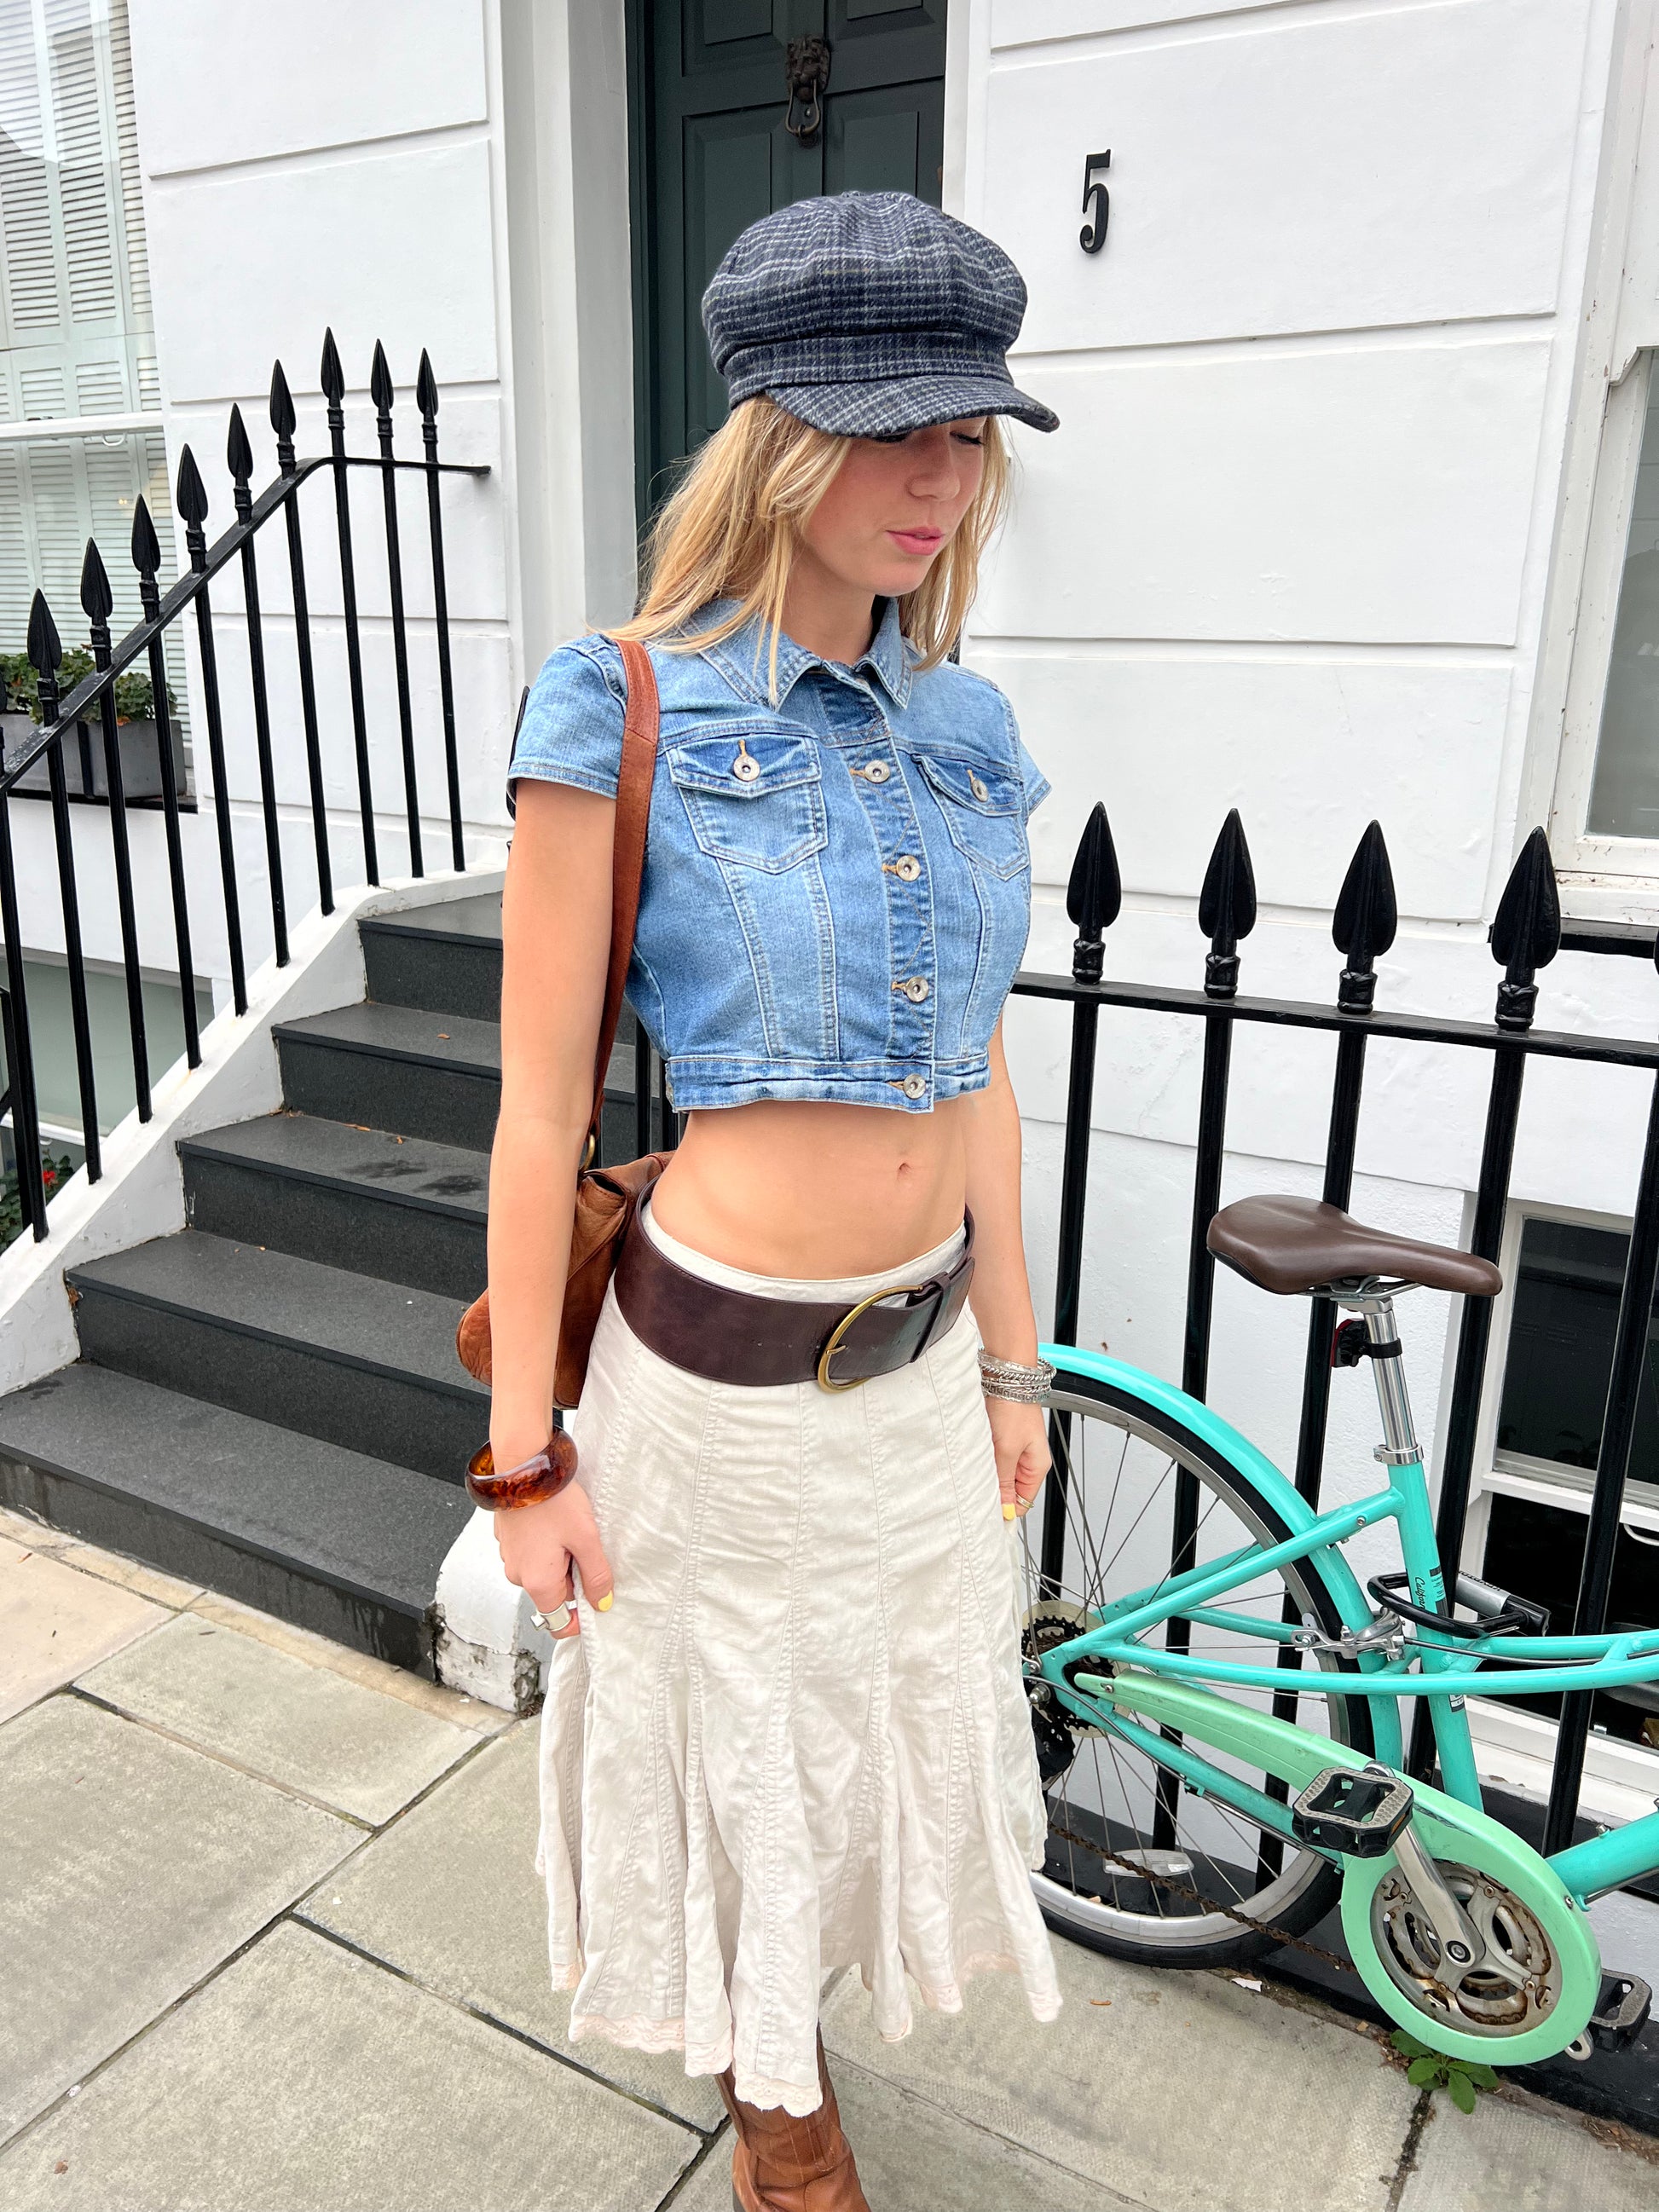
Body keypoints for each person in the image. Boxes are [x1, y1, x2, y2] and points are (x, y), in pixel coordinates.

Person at [487, 191, 1062, 2212]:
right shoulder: (625, 700)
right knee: (735, 1749)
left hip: (914, 1380)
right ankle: (778, 2119)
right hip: (710, 1386)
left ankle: (790, 2032)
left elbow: (980, 1070)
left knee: (872, 1737)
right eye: (896, 426)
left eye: (971, 429)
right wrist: (520, 1457)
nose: (941, 473)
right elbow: (538, 1105)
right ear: (779, 439)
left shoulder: (967, 725)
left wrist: (1016, 1359)